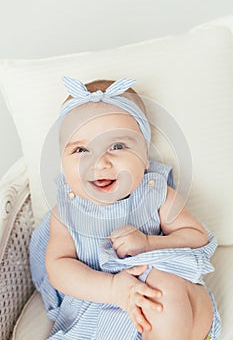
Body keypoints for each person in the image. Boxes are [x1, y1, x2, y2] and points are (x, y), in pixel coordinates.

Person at [30, 77, 221, 340]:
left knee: (166, 286)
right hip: (101, 304)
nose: (100, 163)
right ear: (62, 161)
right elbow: (59, 269)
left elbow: (197, 237)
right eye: (81, 150)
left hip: (168, 307)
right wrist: (112, 288)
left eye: (117, 146)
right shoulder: (66, 212)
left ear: (144, 155)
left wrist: (148, 244)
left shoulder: (157, 192)